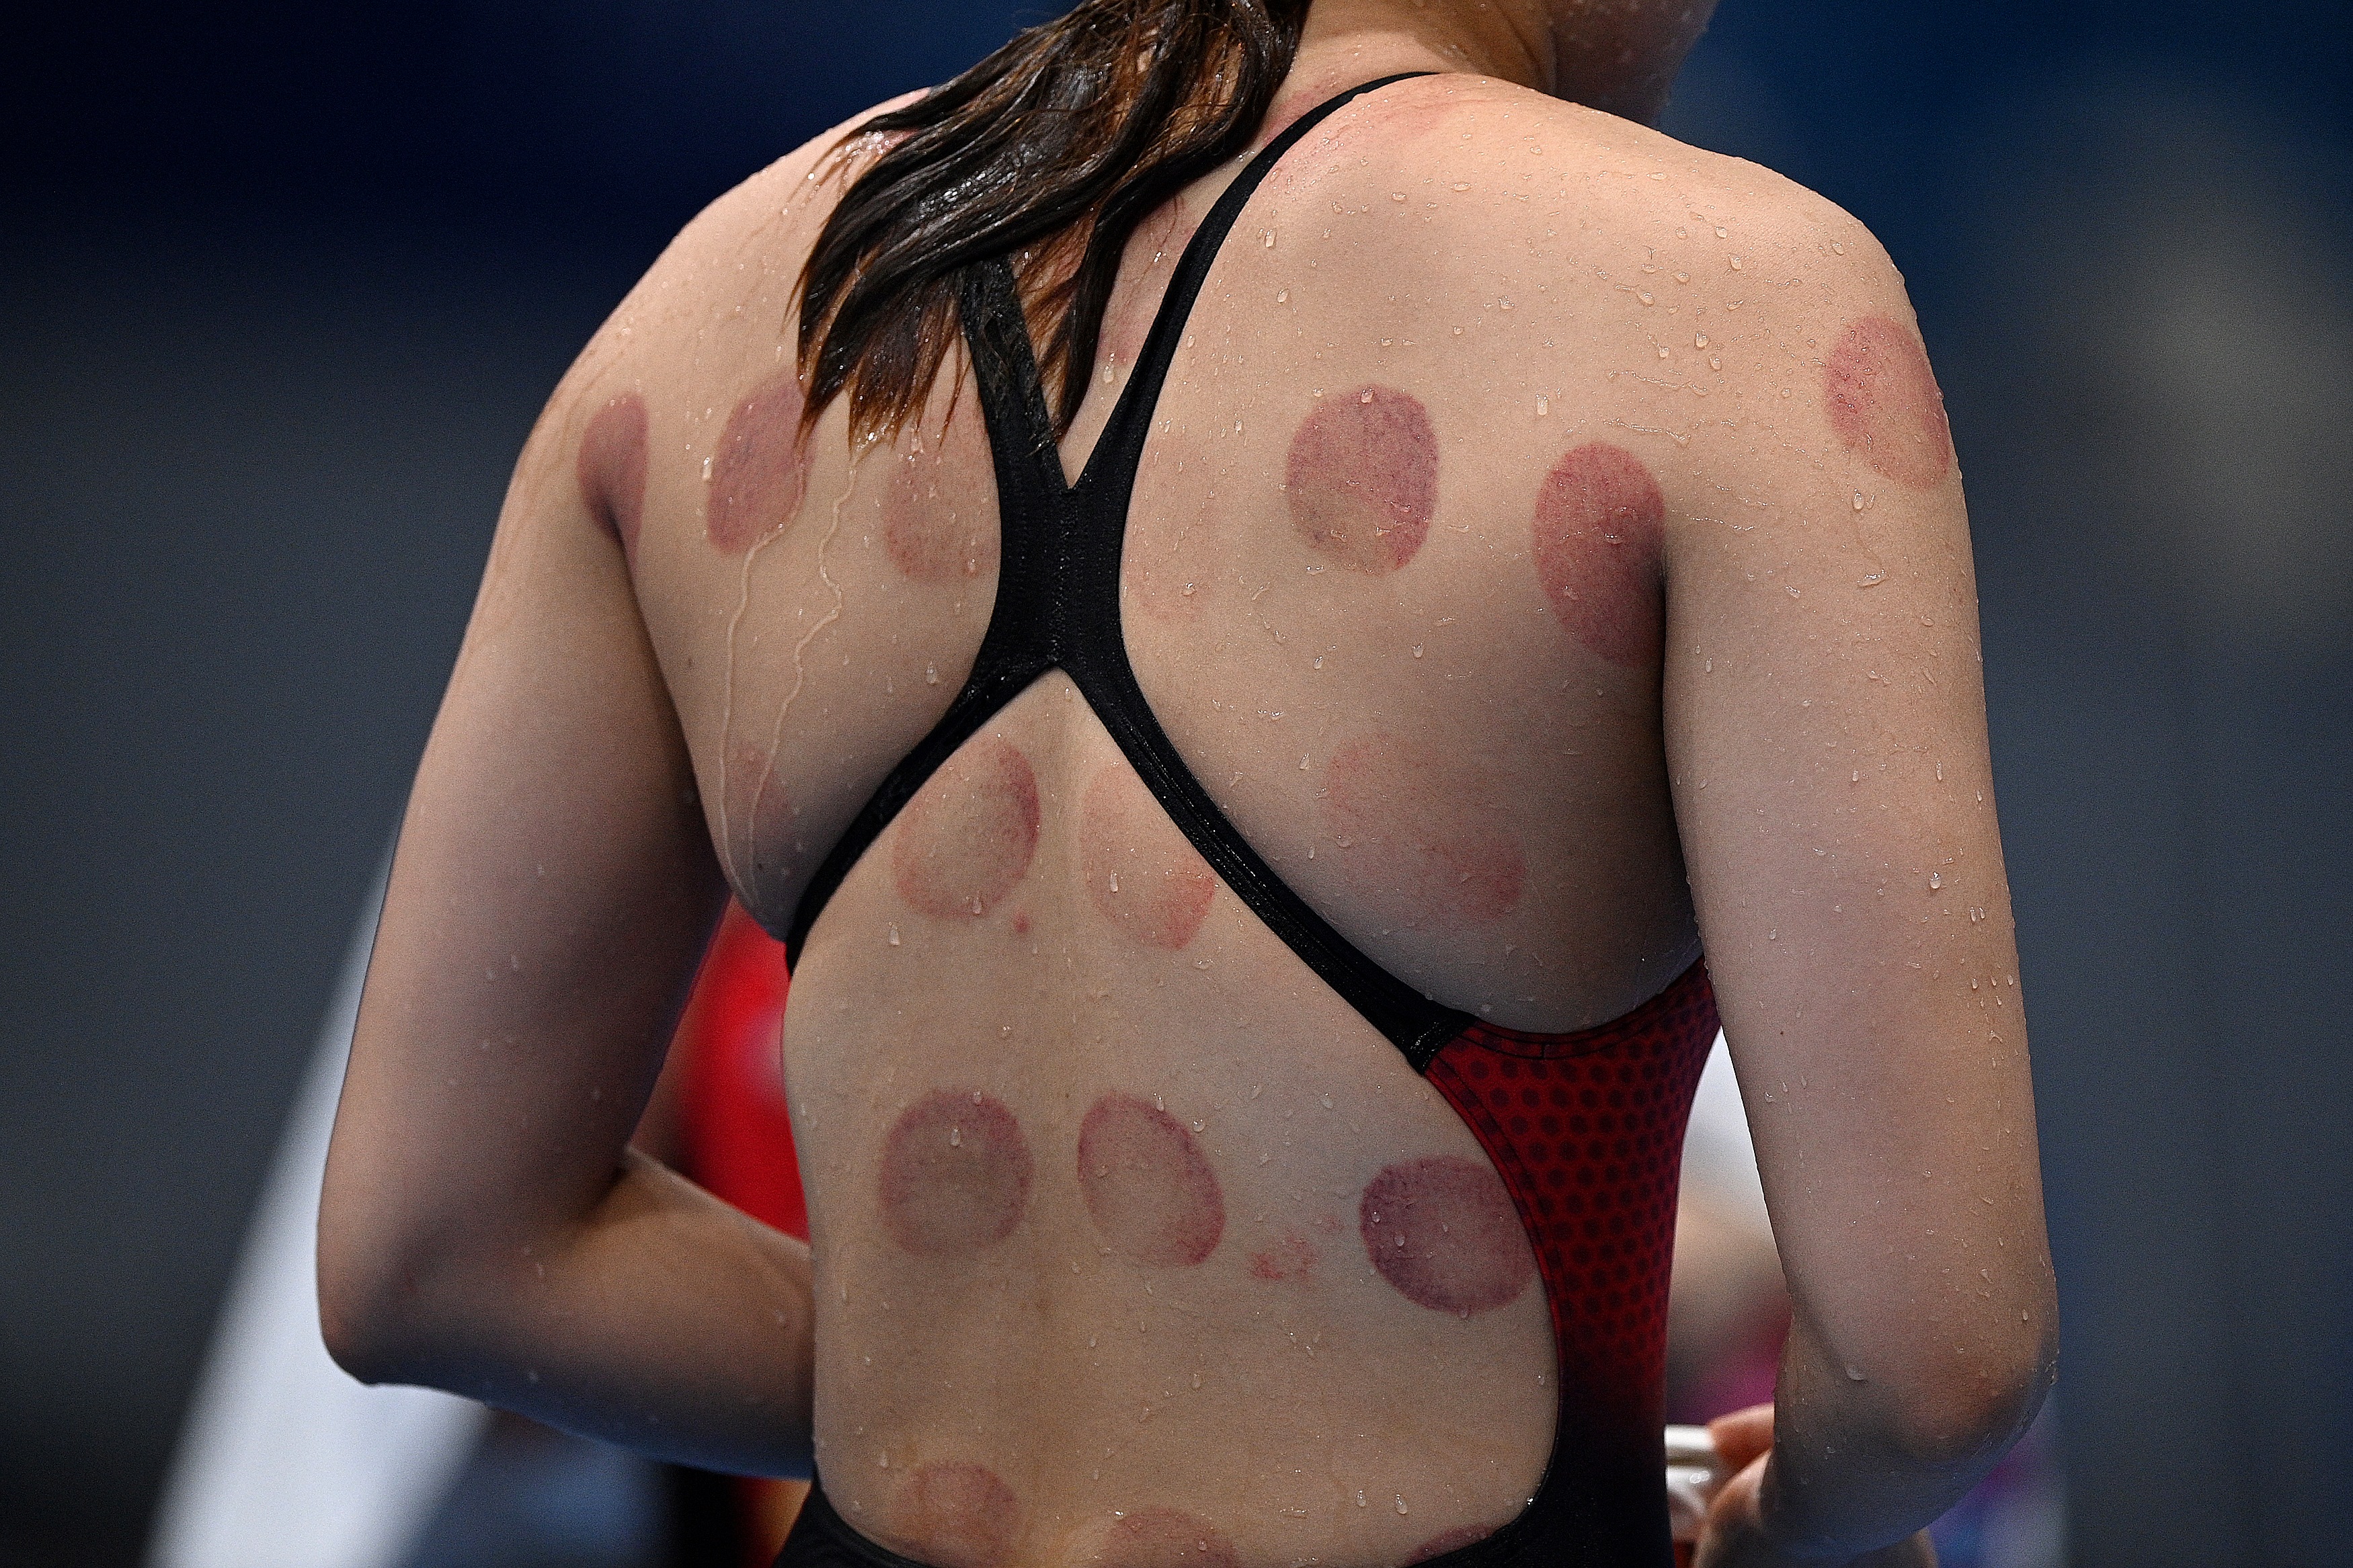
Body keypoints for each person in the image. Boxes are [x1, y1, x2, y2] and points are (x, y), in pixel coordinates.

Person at [317, 1, 2059, 1565]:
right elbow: (1933, 1369)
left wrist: (1015, 1381)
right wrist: (1783, 1526)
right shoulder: (1733, 306)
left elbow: (432, 1263)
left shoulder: (715, 308)